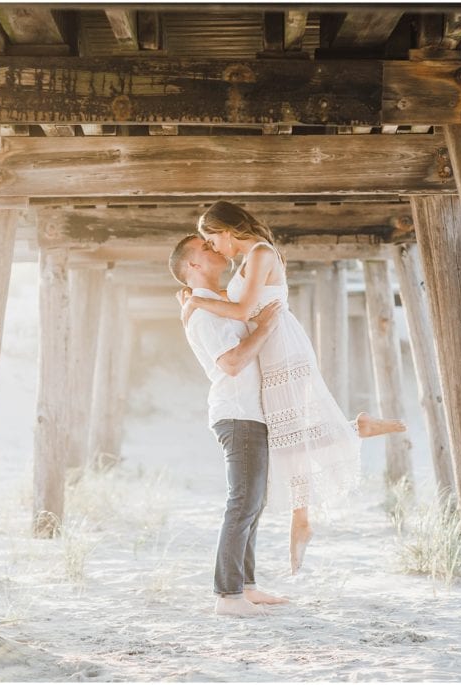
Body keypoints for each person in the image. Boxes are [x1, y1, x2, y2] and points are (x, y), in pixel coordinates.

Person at [181, 200, 407, 574]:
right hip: (270, 343)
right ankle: (350, 437)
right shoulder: (251, 258)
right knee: (287, 436)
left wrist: (196, 301)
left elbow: (240, 312)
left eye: (210, 239)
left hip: (281, 345)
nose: (213, 248)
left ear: (225, 229)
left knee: (289, 434)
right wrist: (199, 300)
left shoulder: (259, 253)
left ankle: (303, 518)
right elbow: (240, 303)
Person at [169, 233, 289, 616]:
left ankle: (246, 586)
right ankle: (228, 596)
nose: (216, 249)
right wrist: (266, 329)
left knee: (255, 502)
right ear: (193, 266)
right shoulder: (203, 313)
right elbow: (233, 363)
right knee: (242, 503)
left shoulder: (216, 305)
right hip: (237, 414)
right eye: (206, 249)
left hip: (251, 411)